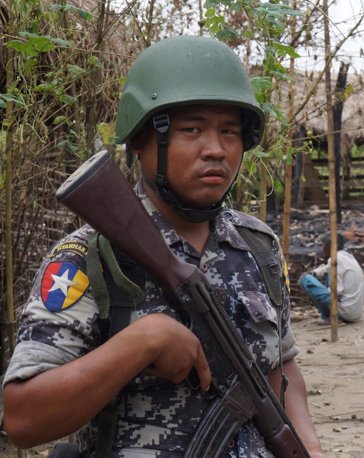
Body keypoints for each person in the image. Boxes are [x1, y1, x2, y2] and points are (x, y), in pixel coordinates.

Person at [2, 35, 324, 457]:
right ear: (140, 140)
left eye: (230, 132)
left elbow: (280, 368)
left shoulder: (257, 246)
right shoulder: (90, 259)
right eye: (192, 129)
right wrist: (141, 343)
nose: (216, 149)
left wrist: (310, 448)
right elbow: (24, 418)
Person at [298, 233, 364, 325]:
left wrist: (320, 291)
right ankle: (331, 315)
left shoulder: (335, 259)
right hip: (355, 313)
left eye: (324, 246)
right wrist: (315, 273)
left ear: (330, 246)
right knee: (327, 275)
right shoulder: (347, 257)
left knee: (305, 280)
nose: (322, 249)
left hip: (346, 313)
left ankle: (330, 317)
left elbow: (336, 291)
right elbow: (327, 269)